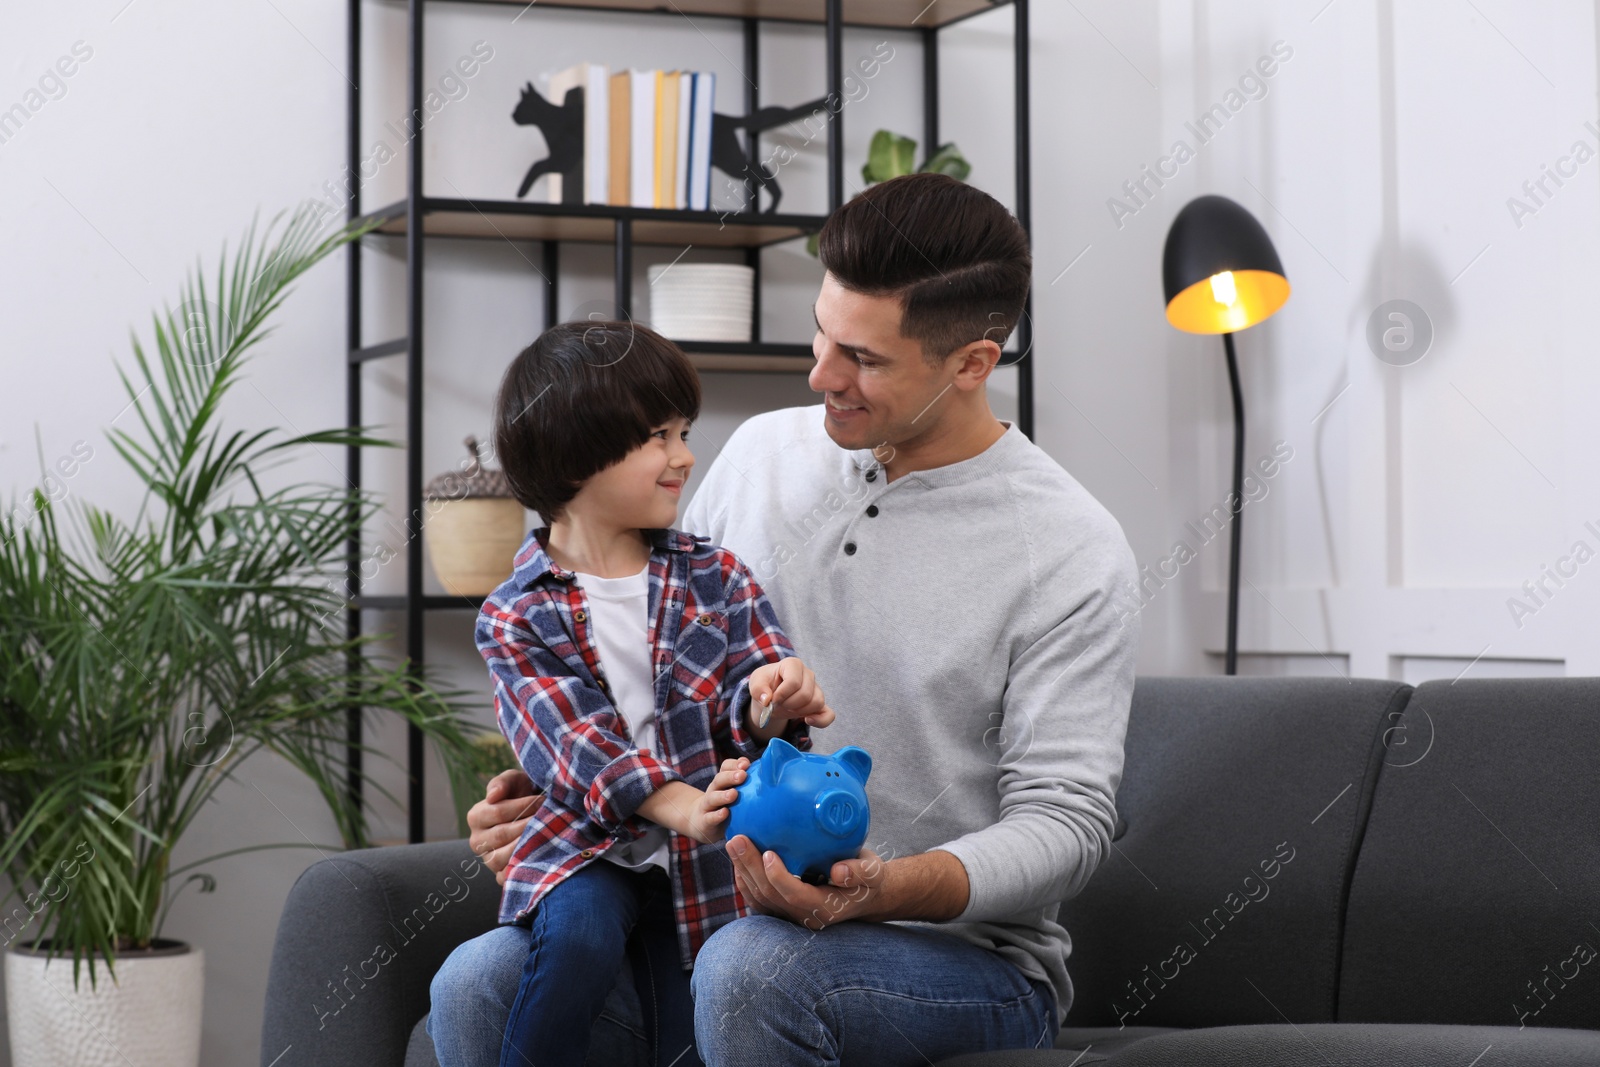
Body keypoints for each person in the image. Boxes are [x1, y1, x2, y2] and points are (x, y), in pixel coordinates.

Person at [434, 172, 1143, 1066]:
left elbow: (1066, 826)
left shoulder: (1070, 547)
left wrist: (879, 889)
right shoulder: (759, 455)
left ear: (972, 362)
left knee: (751, 969)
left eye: (865, 360)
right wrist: (562, 802)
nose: (820, 375)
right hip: (706, 915)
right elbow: (642, 682)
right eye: (821, 333)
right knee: (478, 979)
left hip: (960, 965)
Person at [433, 322, 836, 1067]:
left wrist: (771, 700)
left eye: (683, 431)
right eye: (658, 435)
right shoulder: (517, 613)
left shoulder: (717, 576)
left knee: (700, 1013)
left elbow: (753, 688)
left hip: (707, 866)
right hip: (588, 850)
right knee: (578, 934)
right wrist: (681, 803)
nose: (684, 455)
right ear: (575, 450)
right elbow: (571, 743)